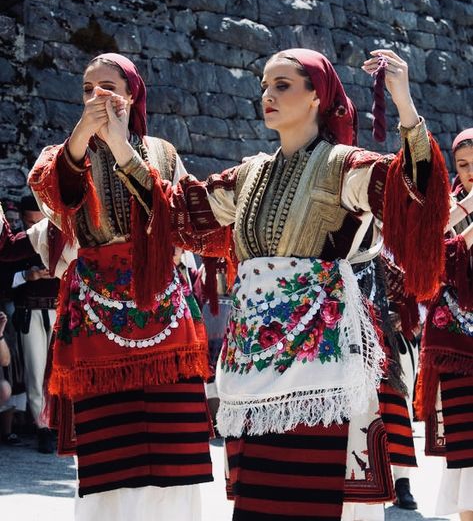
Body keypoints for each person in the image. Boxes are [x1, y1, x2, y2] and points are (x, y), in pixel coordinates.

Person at [151, 48, 450, 520]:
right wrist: (117, 143)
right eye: (264, 86)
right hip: (255, 371)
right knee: (260, 504)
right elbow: (180, 214)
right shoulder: (250, 174)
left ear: (317, 97)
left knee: (317, 500)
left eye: (282, 85)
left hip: (325, 370)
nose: (267, 95)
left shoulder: (343, 166)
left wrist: (404, 103)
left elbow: (415, 192)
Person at [27, 53, 212, 521]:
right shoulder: (64, 155)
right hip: (96, 316)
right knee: (110, 452)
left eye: (107, 87)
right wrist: (82, 140)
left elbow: (175, 216)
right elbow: (57, 198)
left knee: (175, 443)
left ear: (132, 95)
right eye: (87, 90)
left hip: (163, 313)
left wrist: (121, 146)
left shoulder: (163, 152)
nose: (95, 97)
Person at [416, 128, 473, 521]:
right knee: (468, 449)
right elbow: (429, 248)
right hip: (456, 343)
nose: (471, 172)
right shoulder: (449, 206)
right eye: (464, 165)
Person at [10, 195, 58, 453]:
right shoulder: (14, 244)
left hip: (58, 311)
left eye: (39, 221)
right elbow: (4, 279)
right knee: (36, 370)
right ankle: (42, 427)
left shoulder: (57, 237)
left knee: (58, 371)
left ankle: (60, 422)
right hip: (30, 313)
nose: (35, 227)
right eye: (30, 222)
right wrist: (26, 276)